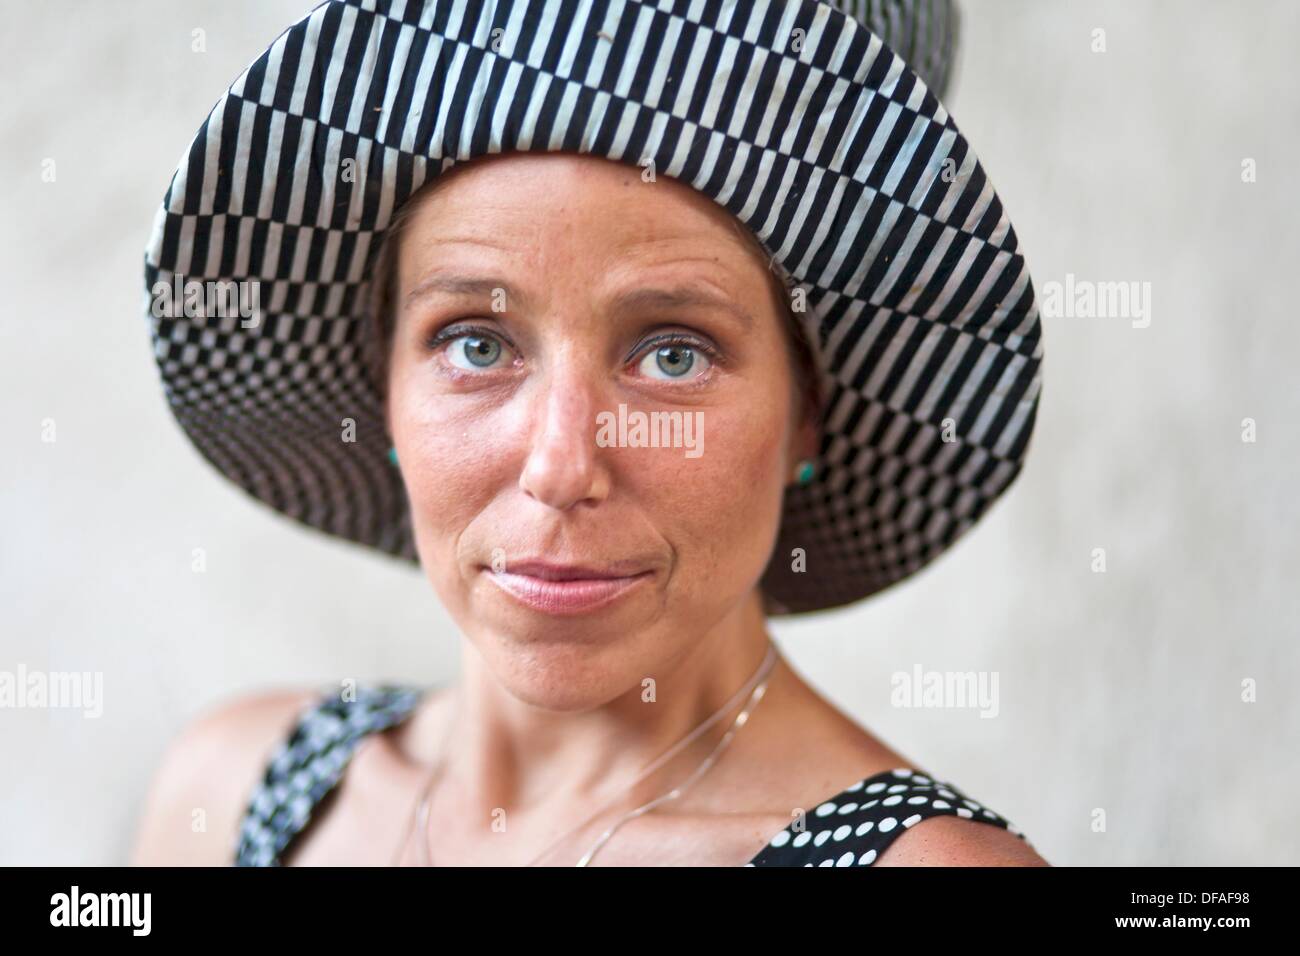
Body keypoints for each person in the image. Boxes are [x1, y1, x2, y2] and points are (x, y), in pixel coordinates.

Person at [130, 0, 1046, 867]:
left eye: (674, 355)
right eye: (476, 343)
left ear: (807, 415)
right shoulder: (228, 791)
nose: (560, 467)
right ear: (385, 393)